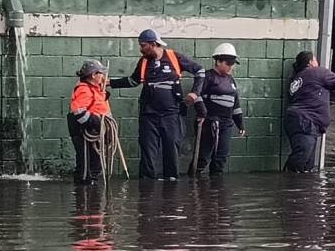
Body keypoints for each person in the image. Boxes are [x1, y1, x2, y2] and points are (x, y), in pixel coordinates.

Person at [109, 29, 205, 181]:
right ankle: (146, 187)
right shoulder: (144, 62)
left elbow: (200, 71)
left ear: (153, 44)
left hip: (172, 114)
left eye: (143, 45)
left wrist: (195, 92)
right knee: (148, 150)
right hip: (149, 115)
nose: (140, 49)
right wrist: (110, 83)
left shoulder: (174, 57)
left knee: (171, 148)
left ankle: (171, 185)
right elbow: (133, 81)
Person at [284, 51, 335, 173]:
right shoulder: (316, 72)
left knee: (307, 162)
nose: (317, 62)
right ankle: (287, 183)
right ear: (310, 62)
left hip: (297, 120)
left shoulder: (296, 78)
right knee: (302, 156)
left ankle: (300, 188)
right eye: (315, 60)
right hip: (306, 121)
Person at [187, 42, 246, 176]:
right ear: (218, 61)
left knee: (221, 158)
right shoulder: (208, 77)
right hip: (208, 122)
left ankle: (217, 190)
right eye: (228, 63)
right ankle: (194, 187)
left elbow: (235, 105)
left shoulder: (231, 80)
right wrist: (203, 113)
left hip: (226, 123)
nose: (231, 67)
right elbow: (196, 95)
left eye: (232, 64)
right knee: (202, 156)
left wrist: (240, 124)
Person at [67, 59, 111, 185]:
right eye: (101, 73)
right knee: (86, 166)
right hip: (85, 132)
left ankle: (90, 192)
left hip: (94, 131)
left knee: (94, 163)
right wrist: (97, 123)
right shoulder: (84, 89)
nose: (103, 76)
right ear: (93, 75)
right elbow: (79, 112)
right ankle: (84, 192)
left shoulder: (96, 89)